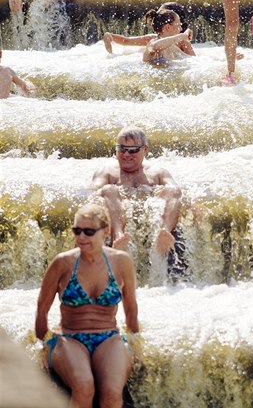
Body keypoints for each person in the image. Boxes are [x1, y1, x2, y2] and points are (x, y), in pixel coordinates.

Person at [35, 203, 138, 408]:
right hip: (70, 336)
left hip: (108, 336)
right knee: (84, 386)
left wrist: (135, 338)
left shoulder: (121, 261)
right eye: (77, 231)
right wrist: (42, 345)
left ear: (106, 231)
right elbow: (42, 308)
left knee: (111, 393)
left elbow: (131, 307)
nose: (81, 237)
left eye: (89, 231)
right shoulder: (62, 263)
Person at [92, 126, 182, 256]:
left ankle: (164, 235)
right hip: (118, 216)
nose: (126, 154)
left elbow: (176, 193)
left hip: (150, 217)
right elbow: (92, 192)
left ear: (145, 149)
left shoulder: (157, 172)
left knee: (173, 190)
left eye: (133, 150)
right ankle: (118, 238)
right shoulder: (107, 172)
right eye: (121, 149)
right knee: (108, 189)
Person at [103, 1, 195, 56]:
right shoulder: (153, 39)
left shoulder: (183, 42)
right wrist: (110, 36)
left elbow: (193, 62)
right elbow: (126, 41)